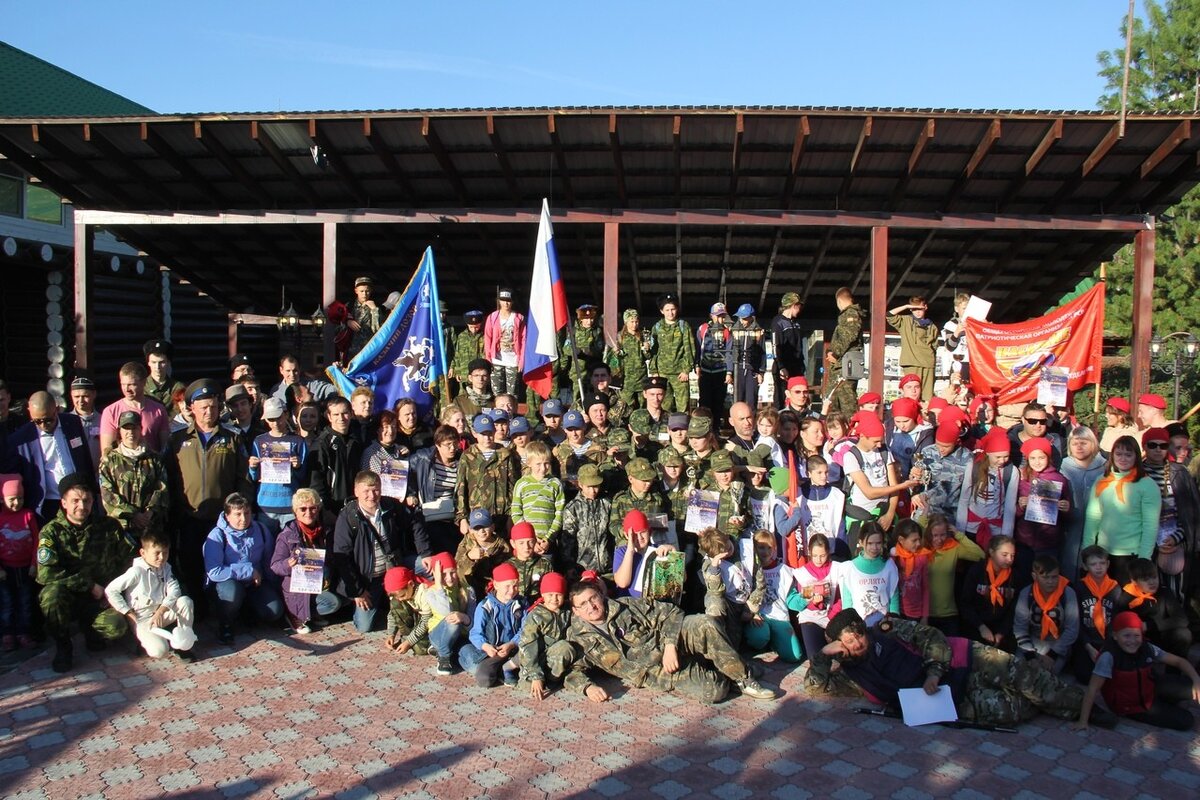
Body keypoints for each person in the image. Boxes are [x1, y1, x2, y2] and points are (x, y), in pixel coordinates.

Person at [811, 608, 1104, 728]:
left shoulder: (886, 629)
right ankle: (1051, 704)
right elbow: (814, 687)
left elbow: (931, 637)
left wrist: (934, 672)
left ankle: (1088, 710)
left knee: (1031, 682)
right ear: (839, 646)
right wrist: (824, 656)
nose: (858, 642)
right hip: (949, 700)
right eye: (848, 641)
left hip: (965, 659)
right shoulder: (852, 676)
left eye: (859, 634)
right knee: (1012, 711)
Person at [564, 580, 776, 704]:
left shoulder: (625, 606)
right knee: (714, 691)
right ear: (575, 611)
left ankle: (744, 678)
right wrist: (587, 688)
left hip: (671, 644)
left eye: (593, 598)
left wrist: (670, 646)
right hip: (660, 674)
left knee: (704, 624)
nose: (591, 606)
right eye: (583, 604)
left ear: (601, 595)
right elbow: (572, 672)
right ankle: (735, 669)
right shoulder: (579, 639)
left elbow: (672, 613)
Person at [37, 474, 135, 672]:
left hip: (102, 598)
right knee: (51, 596)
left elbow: (131, 561)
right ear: (64, 503)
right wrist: (89, 585)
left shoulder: (108, 527)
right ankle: (63, 646)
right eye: (75, 501)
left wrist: (114, 591)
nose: (81, 506)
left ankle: (92, 632)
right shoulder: (51, 532)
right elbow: (46, 574)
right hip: (70, 598)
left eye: (86, 500)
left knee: (116, 626)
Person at [168, 380, 250, 605]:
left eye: (213, 407)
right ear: (192, 408)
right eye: (203, 407)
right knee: (191, 563)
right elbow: (169, 476)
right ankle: (198, 608)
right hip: (190, 516)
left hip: (222, 519)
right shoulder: (178, 439)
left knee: (224, 566)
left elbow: (243, 477)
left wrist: (240, 508)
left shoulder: (232, 438)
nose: (209, 412)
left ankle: (224, 610)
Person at [330, 471, 429, 633]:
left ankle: (431, 606)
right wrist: (358, 590)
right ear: (356, 492)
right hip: (368, 579)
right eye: (366, 491)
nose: (371, 495)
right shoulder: (348, 517)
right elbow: (342, 558)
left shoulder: (390, 506)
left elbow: (415, 521)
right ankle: (366, 604)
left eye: (376, 490)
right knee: (365, 627)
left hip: (394, 568)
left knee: (430, 566)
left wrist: (426, 553)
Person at [1076, 610, 1200, 731]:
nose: (1132, 641)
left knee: (1193, 687)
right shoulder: (1108, 657)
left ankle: (1167, 700)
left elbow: (1179, 661)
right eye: (1126, 635)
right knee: (1186, 720)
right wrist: (1083, 721)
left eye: (1136, 635)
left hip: (1150, 687)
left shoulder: (1147, 647)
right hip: (1132, 705)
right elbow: (1092, 689)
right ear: (1115, 636)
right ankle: (1166, 704)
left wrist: (1196, 679)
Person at [203, 492, 283, 644]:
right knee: (232, 593)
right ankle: (225, 624)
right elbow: (214, 572)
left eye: (247, 513)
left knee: (275, 610)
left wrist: (275, 589)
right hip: (226, 582)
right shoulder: (217, 535)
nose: (243, 519)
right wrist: (249, 571)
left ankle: (248, 611)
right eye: (237, 514)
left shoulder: (261, 529)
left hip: (255, 583)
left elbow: (268, 562)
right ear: (227, 515)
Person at [6, 391, 96, 524]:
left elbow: (84, 458)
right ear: (29, 412)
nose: (43, 425)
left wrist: (91, 491)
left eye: (48, 419)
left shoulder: (72, 422)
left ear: (57, 409)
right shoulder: (20, 438)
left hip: (78, 499)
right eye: (37, 421)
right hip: (47, 503)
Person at [104, 529, 196, 660]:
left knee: (185, 601)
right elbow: (111, 590)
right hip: (142, 619)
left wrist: (161, 611)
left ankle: (183, 645)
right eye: (157, 553)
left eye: (165, 553)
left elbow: (175, 590)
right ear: (143, 553)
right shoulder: (136, 572)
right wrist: (128, 613)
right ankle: (140, 640)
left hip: (160, 613)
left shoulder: (166, 568)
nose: (162, 557)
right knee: (160, 652)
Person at [1082, 435, 1160, 583]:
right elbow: (1093, 517)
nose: (1123, 458)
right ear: (1112, 455)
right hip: (1103, 554)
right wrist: (1087, 550)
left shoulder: (1147, 484)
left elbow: (1150, 525)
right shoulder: (1101, 481)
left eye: (1128, 454)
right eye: (1119, 454)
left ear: (1136, 456)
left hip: (1132, 554)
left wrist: (1144, 558)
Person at [1139, 426, 1200, 598]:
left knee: (1174, 592)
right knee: (1148, 591)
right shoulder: (1136, 473)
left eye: (1163, 445)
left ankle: (1176, 622)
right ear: (1145, 447)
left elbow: (1192, 511)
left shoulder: (1179, 472)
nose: (1158, 449)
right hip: (1145, 540)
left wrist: (1177, 537)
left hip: (1175, 539)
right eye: (1152, 445)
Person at [270, 489, 339, 635]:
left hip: (318, 584)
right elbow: (275, 565)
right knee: (331, 603)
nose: (308, 513)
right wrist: (288, 564)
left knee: (336, 602)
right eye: (303, 509)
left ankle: (311, 614)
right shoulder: (287, 534)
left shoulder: (326, 531)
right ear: (295, 511)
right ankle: (293, 615)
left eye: (313, 508)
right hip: (297, 588)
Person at [98, 410, 170, 545]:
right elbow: (107, 495)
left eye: (134, 428)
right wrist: (133, 515)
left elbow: (162, 488)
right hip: (122, 529)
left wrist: (149, 514)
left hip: (151, 529)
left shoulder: (154, 459)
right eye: (126, 428)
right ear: (119, 431)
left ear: (141, 429)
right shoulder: (109, 460)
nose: (130, 432)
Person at [843, 414, 917, 544]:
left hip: (884, 513)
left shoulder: (884, 451)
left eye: (880, 441)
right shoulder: (851, 456)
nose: (878, 445)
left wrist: (889, 514)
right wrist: (902, 486)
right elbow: (869, 492)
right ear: (862, 436)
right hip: (861, 515)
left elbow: (893, 485)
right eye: (875, 441)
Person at [1013, 437, 1073, 578]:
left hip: (1049, 542)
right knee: (1024, 577)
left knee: (1047, 578)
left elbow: (1068, 514)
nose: (1037, 462)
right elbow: (1011, 512)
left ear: (1048, 458)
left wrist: (1066, 509)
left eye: (1041, 457)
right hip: (1024, 541)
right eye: (1033, 458)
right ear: (1027, 459)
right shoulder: (1022, 478)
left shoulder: (1059, 479)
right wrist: (1021, 507)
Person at [459, 562, 525, 687]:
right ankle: (461, 651)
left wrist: (511, 644)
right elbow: (476, 632)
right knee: (483, 678)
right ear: (496, 585)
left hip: (514, 649)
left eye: (515, 586)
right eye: (507, 586)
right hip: (492, 651)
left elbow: (525, 629)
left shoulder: (522, 604)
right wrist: (486, 646)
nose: (512, 591)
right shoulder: (485, 606)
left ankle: (505, 669)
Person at [248, 398, 307, 535]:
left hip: (290, 506)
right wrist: (252, 466)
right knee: (266, 550)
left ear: (286, 415)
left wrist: (297, 466)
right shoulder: (259, 441)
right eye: (270, 419)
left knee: (292, 548)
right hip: (265, 506)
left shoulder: (298, 441)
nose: (275, 423)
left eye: (278, 418)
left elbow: (304, 475)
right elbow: (254, 476)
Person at [1012, 554, 1078, 675]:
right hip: (1032, 640)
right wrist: (1030, 655)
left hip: (1057, 644)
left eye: (1054, 577)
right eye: (1045, 577)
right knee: (1019, 671)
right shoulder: (1026, 594)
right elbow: (1020, 628)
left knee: (1047, 675)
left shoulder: (1068, 593)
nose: (1050, 582)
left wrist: (1052, 654)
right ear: (1034, 576)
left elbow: (1072, 629)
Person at [455, 414, 519, 536]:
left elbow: (513, 488)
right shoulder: (468, 456)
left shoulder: (505, 454)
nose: (487, 438)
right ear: (475, 434)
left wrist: (512, 516)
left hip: (503, 517)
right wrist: (462, 518)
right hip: (477, 519)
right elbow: (461, 489)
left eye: (490, 433)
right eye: (483, 434)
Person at [1117, 557, 1192, 659]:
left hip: (1162, 635)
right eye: (1145, 580)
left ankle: (1174, 672)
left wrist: (1148, 625)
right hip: (1138, 639)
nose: (1152, 582)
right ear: (1134, 581)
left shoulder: (1164, 592)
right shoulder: (1126, 598)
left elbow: (1182, 619)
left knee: (1184, 634)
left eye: (1154, 577)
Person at [956, 428, 1020, 547]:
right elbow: (964, 499)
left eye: (1006, 456)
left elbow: (1010, 507)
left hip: (996, 530)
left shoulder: (1011, 471)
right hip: (971, 527)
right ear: (988, 453)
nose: (1002, 461)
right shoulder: (973, 466)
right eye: (998, 457)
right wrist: (960, 532)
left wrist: (1006, 539)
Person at [415, 552, 476, 676]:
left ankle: (451, 656)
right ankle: (443, 656)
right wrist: (438, 585)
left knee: (475, 666)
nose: (449, 577)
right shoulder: (430, 592)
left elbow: (473, 623)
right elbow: (446, 613)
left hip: (461, 636)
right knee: (453, 620)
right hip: (439, 635)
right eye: (443, 574)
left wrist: (465, 618)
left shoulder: (468, 590)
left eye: (452, 572)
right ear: (435, 575)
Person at [960, 535, 1024, 650]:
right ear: (991, 552)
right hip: (976, 628)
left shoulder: (1015, 577)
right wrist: (981, 626)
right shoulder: (977, 571)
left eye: (1012, 555)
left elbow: (1014, 610)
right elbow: (965, 604)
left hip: (1002, 632)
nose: (1009, 559)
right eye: (1004, 555)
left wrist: (1001, 633)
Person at [1060, 426, 1106, 581]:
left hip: (1099, 529)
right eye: (1075, 443)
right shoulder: (1062, 467)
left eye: (1084, 443)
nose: (1079, 447)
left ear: (1093, 443)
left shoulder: (1105, 467)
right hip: (1070, 529)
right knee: (1069, 569)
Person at [407, 425, 462, 554]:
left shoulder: (462, 460)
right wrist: (411, 493)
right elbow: (404, 472)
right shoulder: (424, 458)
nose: (452, 448)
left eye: (455, 443)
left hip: (453, 516)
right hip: (431, 515)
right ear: (437, 445)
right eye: (448, 444)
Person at [926, 513, 983, 636]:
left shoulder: (953, 548)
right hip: (926, 614)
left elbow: (980, 555)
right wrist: (924, 514)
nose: (939, 539)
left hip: (948, 614)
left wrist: (959, 535)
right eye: (935, 535)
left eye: (943, 535)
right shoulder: (922, 549)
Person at [1072, 545, 1122, 684]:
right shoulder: (1079, 587)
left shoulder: (1115, 588)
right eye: (1093, 564)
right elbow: (1076, 621)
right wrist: (1088, 646)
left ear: (1108, 564)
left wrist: (1108, 646)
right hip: (1086, 641)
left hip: (1108, 641)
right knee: (1084, 676)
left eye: (1102, 563)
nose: (1098, 567)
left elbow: (1117, 620)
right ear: (1085, 567)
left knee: (1112, 675)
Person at [99, 362, 170, 456]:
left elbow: (165, 448)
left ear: (144, 382)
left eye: (132, 384)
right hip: (122, 468)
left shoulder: (159, 410)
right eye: (123, 384)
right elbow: (106, 452)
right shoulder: (111, 411)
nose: (126, 389)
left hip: (152, 467)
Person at [0, 473, 38, 649]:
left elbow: (38, 540)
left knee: (25, 601)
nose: (17, 503)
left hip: (25, 568)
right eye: (12, 499)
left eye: (20, 498)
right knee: (7, 602)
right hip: (6, 569)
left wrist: (33, 564)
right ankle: (8, 634)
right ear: (2, 499)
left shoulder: (28, 515)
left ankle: (25, 632)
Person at [837, 522, 898, 627]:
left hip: (884, 625)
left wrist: (894, 620)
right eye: (870, 543)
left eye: (878, 543)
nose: (874, 547)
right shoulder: (849, 568)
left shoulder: (889, 565)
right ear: (861, 542)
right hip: (860, 627)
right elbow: (847, 602)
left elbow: (894, 596)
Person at [557, 464, 612, 579]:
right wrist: (569, 566)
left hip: (608, 569)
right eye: (589, 487)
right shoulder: (572, 508)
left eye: (596, 486)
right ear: (580, 484)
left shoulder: (607, 503)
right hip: (582, 570)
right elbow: (568, 541)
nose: (593, 491)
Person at [309, 396, 363, 511]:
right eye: (336, 415)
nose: (341, 418)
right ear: (329, 417)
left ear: (351, 414)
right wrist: (326, 509)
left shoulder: (358, 440)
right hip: (332, 508)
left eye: (345, 413)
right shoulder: (321, 444)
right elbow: (316, 482)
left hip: (357, 505)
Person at [509, 442, 565, 552]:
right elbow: (516, 512)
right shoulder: (521, 484)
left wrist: (548, 538)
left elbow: (559, 513)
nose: (543, 468)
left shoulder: (555, 483)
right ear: (529, 463)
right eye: (538, 464)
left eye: (546, 463)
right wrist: (531, 538)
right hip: (527, 543)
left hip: (548, 542)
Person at [649, 293, 696, 414]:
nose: (670, 313)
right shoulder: (657, 327)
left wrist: (686, 369)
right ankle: (664, 430)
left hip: (679, 374)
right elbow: (654, 351)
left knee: (683, 405)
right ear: (662, 311)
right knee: (664, 404)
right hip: (662, 373)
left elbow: (689, 349)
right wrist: (654, 370)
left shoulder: (683, 326)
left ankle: (682, 430)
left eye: (673, 309)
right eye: (667, 310)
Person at [886, 296, 939, 402]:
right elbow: (889, 315)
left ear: (925, 307)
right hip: (912, 362)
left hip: (928, 364)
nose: (918, 312)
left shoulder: (932, 326)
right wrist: (906, 306)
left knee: (927, 397)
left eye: (920, 308)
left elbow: (934, 347)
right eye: (914, 309)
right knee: (911, 395)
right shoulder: (906, 321)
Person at [825, 288, 865, 418]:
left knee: (846, 402)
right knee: (834, 400)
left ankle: (851, 431)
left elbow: (849, 335)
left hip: (845, 364)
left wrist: (835, 353)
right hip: (842, 364)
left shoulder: (850, 314)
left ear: (839, 300)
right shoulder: (849, 314)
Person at [483, 287, 525, 396]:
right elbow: (487, 338)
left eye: (508, 301)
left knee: (513, 393)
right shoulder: (492, 317)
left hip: (513, 359)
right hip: (496, 358)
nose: (506, 303)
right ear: (499, 301)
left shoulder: (518, 318)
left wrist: (521, 360)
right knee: (497, 392)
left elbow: (523, 339)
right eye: (503, 300)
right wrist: (488, 358)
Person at [769, 292, 807, 411]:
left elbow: (799, 347)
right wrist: (781, 366)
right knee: (781, 397)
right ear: (793, 305)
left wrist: (802, 366)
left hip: (797, 367)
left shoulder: (796, 324)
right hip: (783, 368)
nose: (800, 309)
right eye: (799, 306)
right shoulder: (778, 322)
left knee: (797, 396)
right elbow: (776, 346)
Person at [891, 518, 933, 623]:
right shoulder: (894, 558)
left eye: (919, 539)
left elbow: (925, 588)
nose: (918, 543)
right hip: (897, 611)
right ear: (901, 540)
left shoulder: (922, 557)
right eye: (914, 540)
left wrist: (925, 616)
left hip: (916, 614)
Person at [695, 302, 731, 418]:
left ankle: (715, 429)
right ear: (711, 315)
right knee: (705, 401)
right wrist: (696, 365)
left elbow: (730, 352)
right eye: (718, 316)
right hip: (705, 371)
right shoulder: (703, 328)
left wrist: (729, 372)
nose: (720, 319)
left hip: (720, 372)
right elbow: (698, 348)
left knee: (718, 402)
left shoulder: (727, 332)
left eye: (722, 316)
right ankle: (703, 426)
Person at [383, 566, 427, 655]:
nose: (400, 599)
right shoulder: (400, 594)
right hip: (416, 621)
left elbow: (426, 622)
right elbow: (393, 613)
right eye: (397, 596)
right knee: (395, 603)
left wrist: (408, 642)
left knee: (419, 649)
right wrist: (391, 635)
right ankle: (408, 636)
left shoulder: (425, 593)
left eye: (402, 595)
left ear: (411, 584)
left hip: (429, 625)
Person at [270, 354, 336, 405]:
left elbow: (336, 390)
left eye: (295, 370)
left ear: (300, 369)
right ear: (281, 370)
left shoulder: (313, 386)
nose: (292, 374)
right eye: (288, 371)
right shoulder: (275, 392)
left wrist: (340, 374)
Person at [66, 374, 102, 467]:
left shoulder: (103, 420)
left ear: (94, 394)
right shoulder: (66, 422)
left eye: (85, 396)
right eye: (77, 397)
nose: (81, 401)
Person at [143, 339, 186, 410]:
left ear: (168, 362)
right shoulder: (141, 387)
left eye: (161, 362)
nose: (157, 367)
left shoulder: (178, 388)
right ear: (148, 363)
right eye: (154, 362)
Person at [448, 310, 485, 391]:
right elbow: (457, 354)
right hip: (464, 374)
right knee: (463, 397)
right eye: (471, 327)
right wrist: (457, 370)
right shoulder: (462, 336)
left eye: (477, 327)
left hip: (479, 375)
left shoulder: (484, 337)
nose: (474, 329)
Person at [939, 292, 972, 385]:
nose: (967, 311)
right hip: (958, 363)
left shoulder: (975, 323)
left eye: (968, 309)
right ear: (956, 309)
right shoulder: (951, 324)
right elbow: (949, 347)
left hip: (975, 363)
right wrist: (956, 333)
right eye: (964, 309)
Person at [346, 276, 382, 359]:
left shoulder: (376, 308)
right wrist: (347, 322)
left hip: (368, 350)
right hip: (351, 350)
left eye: (367, 291)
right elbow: (336, 327)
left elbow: (377, 330)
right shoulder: (349, 307)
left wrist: (374, 310)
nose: (364, 294)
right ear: (356, 291)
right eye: (362, 291)